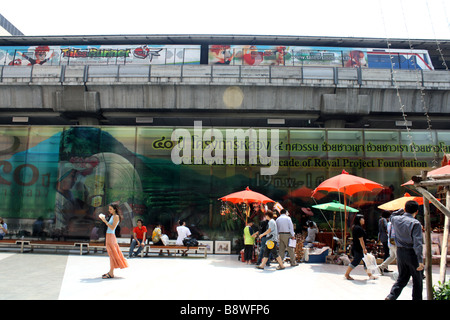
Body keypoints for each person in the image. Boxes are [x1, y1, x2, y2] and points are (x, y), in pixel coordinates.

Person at [386, 201, 424, 300]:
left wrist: (402, 209)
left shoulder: (395, 219)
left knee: (402, 278)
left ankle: (391, 296)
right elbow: (418, 243)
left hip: (400, 253)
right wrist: (420, 260)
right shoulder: (415, 223)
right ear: (417, 211)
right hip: (412, 253)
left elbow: (392, 214)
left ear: (405, 209)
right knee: (417, 280)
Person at [99, 204, 129, 279]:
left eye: (111, 209)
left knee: (112, 254)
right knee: (111, 254)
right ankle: (111, 272)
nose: (109, 210)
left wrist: (105, 221)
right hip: (108, 235)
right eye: (109, 209)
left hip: (111, 236)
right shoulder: (112, 216)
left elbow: (112, 227)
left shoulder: (116, 217)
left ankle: (111, 273)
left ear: (115, 209)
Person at [344, 214, 377, 280]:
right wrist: (364, 248)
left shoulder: (356, 227)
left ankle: (370, 275)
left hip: (357, 247)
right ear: (359, 220)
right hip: (358, 248)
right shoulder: (358, 228)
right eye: (362, 219)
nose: (364, 220)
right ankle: (347, 274)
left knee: (365, 261)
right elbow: (361, 240)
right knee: (356, 261)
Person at [378, 210, 399, 275]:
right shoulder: (386, 221)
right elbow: (385, 228)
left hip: (388, 240)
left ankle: (382, 267)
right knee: (398, 256)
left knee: (392, 256)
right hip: (390, 240)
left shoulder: (387, 222)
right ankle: (401, 271)